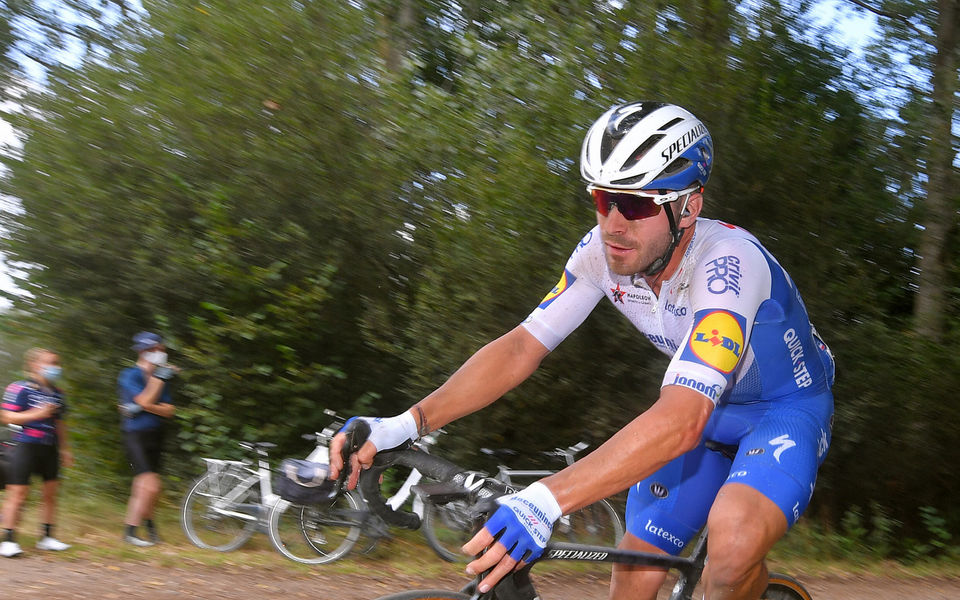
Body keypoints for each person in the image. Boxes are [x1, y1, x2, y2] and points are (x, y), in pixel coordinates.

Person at [330, 101, 835, 600]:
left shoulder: (729, 265)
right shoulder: (600, 252)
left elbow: (681, 419)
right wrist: (404, 424)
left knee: (731, 547)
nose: (614, 224)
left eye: (636, 204)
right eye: (603, 198)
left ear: (689, 206)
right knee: (636, 569)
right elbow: (520, 347)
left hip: (782, 410)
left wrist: (546, 501)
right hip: (705, 410)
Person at [0, 347, 74, 557]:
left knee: (50, 494)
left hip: (49, 447)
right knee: (18, 493)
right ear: (35, 364)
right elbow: (6, 417)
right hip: (25, 444)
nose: (55, 367)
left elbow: (60, 422)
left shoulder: (58, 393)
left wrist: (65, 449)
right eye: (51, 363)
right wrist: (38, 413)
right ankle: (9, 540)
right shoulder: (20, 388)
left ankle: (47, 538)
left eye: (56, 363)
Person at [118, 331, 177, 547]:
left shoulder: (164, 377)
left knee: (143, 487)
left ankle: (150, 528)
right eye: (153, 350)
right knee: (151, 485)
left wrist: (145, 407)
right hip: (134, 434)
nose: (158, 353)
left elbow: (169, 410)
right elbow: (144, 399)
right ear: (142, 351)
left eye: (160, 349)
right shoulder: (129, 375)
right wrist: (157, 381)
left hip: (156, 433)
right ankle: (130, 532)